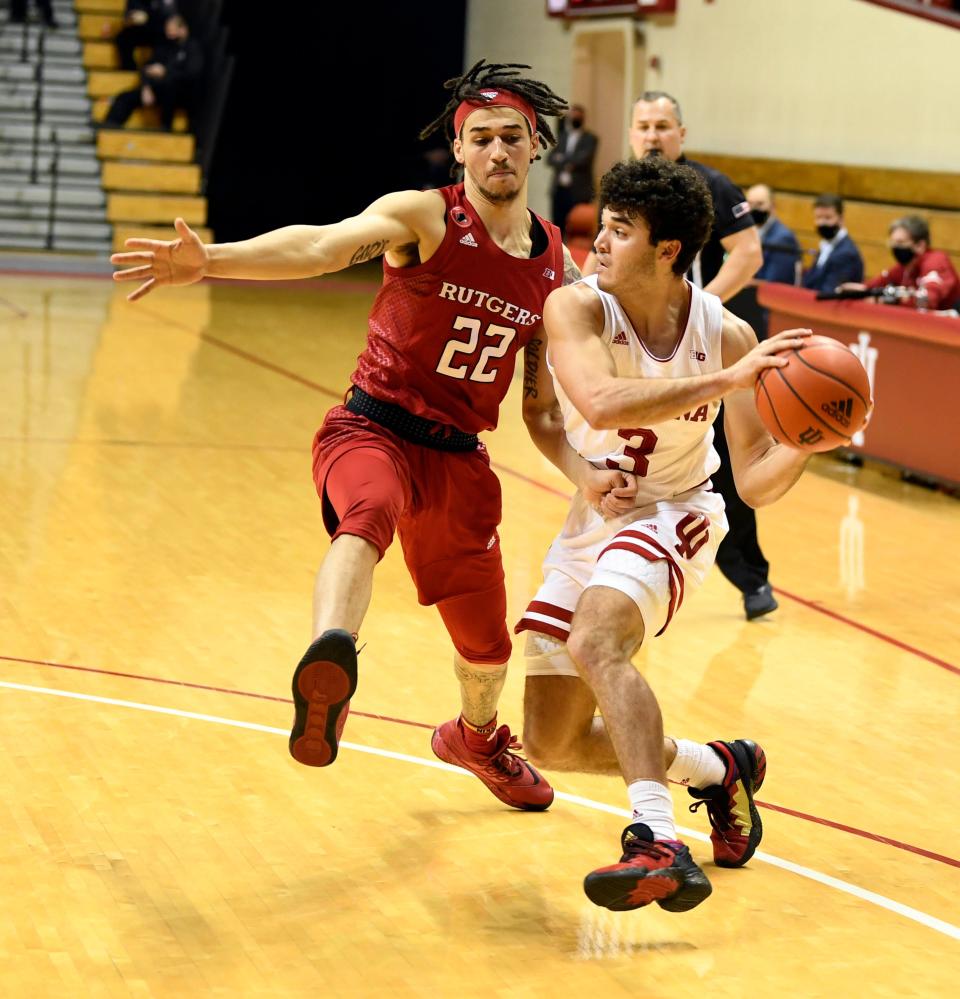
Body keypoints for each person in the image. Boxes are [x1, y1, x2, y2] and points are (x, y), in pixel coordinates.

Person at [110, 60, 587, 812]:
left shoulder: (557, 266)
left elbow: (542, 407)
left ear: (536, 147)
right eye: (482, 137)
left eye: (513, 137)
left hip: (460, 460)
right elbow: (324, 245)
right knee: (363, 521)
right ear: (459, 151)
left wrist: (589, 474)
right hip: (373, 425)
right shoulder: (425, 217)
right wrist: (215, 262)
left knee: (487, 644)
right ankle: (329, 656)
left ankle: (476, 734)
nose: (498, 150)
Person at [518, 156, 814, 913]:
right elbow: (596, 400)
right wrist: (582, 467)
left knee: (596, 641)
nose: (598, 244)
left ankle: (656, 840)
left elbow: (751, 479)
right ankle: (718, 767)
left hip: (674, 512)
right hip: (594, 519)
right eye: (601, 225)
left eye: (619, 231)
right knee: (550, 741)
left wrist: (811, 438)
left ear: (668, 250)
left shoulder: (727, 333)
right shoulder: (576, 308)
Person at [592, 92, 773, 621]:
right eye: (643, 126)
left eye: (663, 126)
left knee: (724, 466)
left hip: (704, 354)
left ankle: (752, 579)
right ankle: (621, 572)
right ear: (630, 134)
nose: (652, 135)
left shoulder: (711, 187)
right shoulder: (621, 192)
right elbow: (598, 260)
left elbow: (750, 253)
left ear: (681, 135)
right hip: (634, 351)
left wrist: (698, 309)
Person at [103, 14, 203, 132]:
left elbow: (192, 74)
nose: (169, 34)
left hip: (181, 93)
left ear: (182, 29)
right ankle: (108, 128)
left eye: (172, 31)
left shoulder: (193, 48)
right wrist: (146, 87)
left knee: (171, 87)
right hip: (158, 88)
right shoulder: (166, 46)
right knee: (125, 97)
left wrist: (166, 72)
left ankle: (165, 128)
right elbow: (147, 67)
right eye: (167, 31)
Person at [841, 215, 960, 310]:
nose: (895, 248)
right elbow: (872, 286)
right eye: (892, 243)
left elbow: (927, 301)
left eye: (901, 243)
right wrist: (858, 291)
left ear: (920, 245)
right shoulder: (904, 267)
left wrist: (891, 300)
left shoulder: (935, 261)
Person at [547, 105, 598, 237]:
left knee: (577, 229)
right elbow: (550, 159)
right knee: (556, 227)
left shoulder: (590, 138)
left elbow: (583, 161)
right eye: (573, 116)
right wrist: (569, 162)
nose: (575, 118)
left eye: (578, 116)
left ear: (583, 118)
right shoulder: (562, 136)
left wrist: (562, 159)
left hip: (579, 192)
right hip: (560, 189)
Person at [801, 193, 864, 293]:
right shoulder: (827, 245)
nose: (822, 223)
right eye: (818, 218)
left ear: (841, 219)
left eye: (828, 218)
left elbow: (828, 292)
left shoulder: (846, 253)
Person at [746, 183, 801, 286]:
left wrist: (740, 282)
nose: (754, 208)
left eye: (760, 204)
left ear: (772, 206)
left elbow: (775, 283)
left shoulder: (784, 238)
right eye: (750, 204)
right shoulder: (746, 233)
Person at [114, 1, 179, 71]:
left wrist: (148, 16)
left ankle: (158, 65)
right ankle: (129, 68)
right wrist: (132, 17)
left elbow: (170, 15)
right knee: (123, 38)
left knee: (166, 36)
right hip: (141, 29)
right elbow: (128, 16)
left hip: (160, 29)